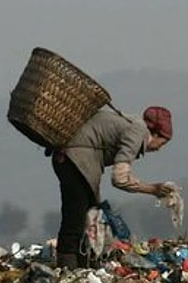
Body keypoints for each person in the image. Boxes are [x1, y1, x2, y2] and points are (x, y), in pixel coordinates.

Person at [50, 105, 176, 269]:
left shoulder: (132, 125)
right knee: (75, 216)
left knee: (87, 216)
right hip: (76, 160)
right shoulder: (138, 133)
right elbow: (119, 178)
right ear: (156, 133)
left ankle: (82, 264)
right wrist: (152, 189)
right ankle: (67, 267)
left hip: (71, 159)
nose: (160, 148)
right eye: (163, 142)